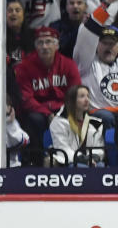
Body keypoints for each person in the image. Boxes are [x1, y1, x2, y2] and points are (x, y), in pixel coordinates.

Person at [14, 26, 82, 165]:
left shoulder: (69, 65)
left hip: (63, 109)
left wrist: (61, 113)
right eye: (40, 42)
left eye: (49, 42)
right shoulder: (24, 67)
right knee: (34, 119)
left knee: (76, 116)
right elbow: (25, 99)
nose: (45, 46)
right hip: (38, 111)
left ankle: (73, 159)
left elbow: (75, 93)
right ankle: (35, 162)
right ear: (35, 46)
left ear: (56, 45)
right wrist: (47, 113)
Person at [48, 84, 106, 165]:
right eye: (82, 96)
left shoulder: (96, 123)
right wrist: (84, 159)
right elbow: (63, 148)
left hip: (91, 161)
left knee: (100, 166)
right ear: (72, 100)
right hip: (69, 161)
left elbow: (99, 148)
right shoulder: (59, 122)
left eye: (88, 96)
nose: (87, 100)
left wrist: (93, 158)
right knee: (80, 167)